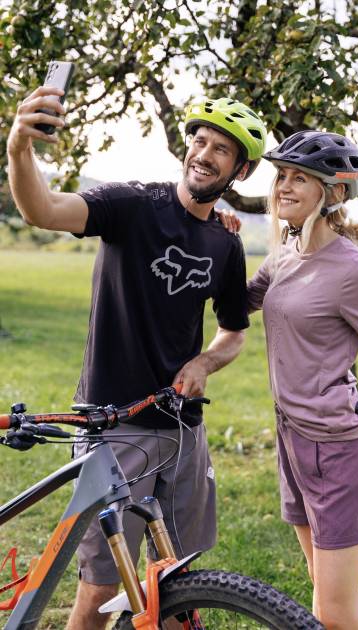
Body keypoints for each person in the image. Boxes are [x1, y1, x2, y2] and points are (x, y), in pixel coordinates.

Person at [7, 89, 267, 629]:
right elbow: (43, 210)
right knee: (102, 588)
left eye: (222, 149)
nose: (205, 154)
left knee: (179, 581)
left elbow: (233, 333)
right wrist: (18, 150)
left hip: (184, 431)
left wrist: (203, 364)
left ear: (239, 171)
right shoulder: (132, 205)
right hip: (114, 425)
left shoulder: (226, 244)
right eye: (200, 141)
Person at [247, 130, 358, 630]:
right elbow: (241, 300)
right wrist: (208, 241)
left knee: (338, 612)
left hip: (337, 449)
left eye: (299, 178)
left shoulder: (351, 269)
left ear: (334, 192)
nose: (283, 186)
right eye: (281, 175)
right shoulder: (285, 251)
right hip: (292, 437)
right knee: (320, 597)